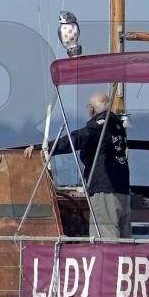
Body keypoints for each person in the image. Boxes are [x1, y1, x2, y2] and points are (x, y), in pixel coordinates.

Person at [50, 91, 132, 239]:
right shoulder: (118, 125)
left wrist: (45, 148)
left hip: (104, 189)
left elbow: (75, 139)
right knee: (124, 238)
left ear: (92, 109)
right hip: (122, 189)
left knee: (105, 238)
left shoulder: (99, 126)